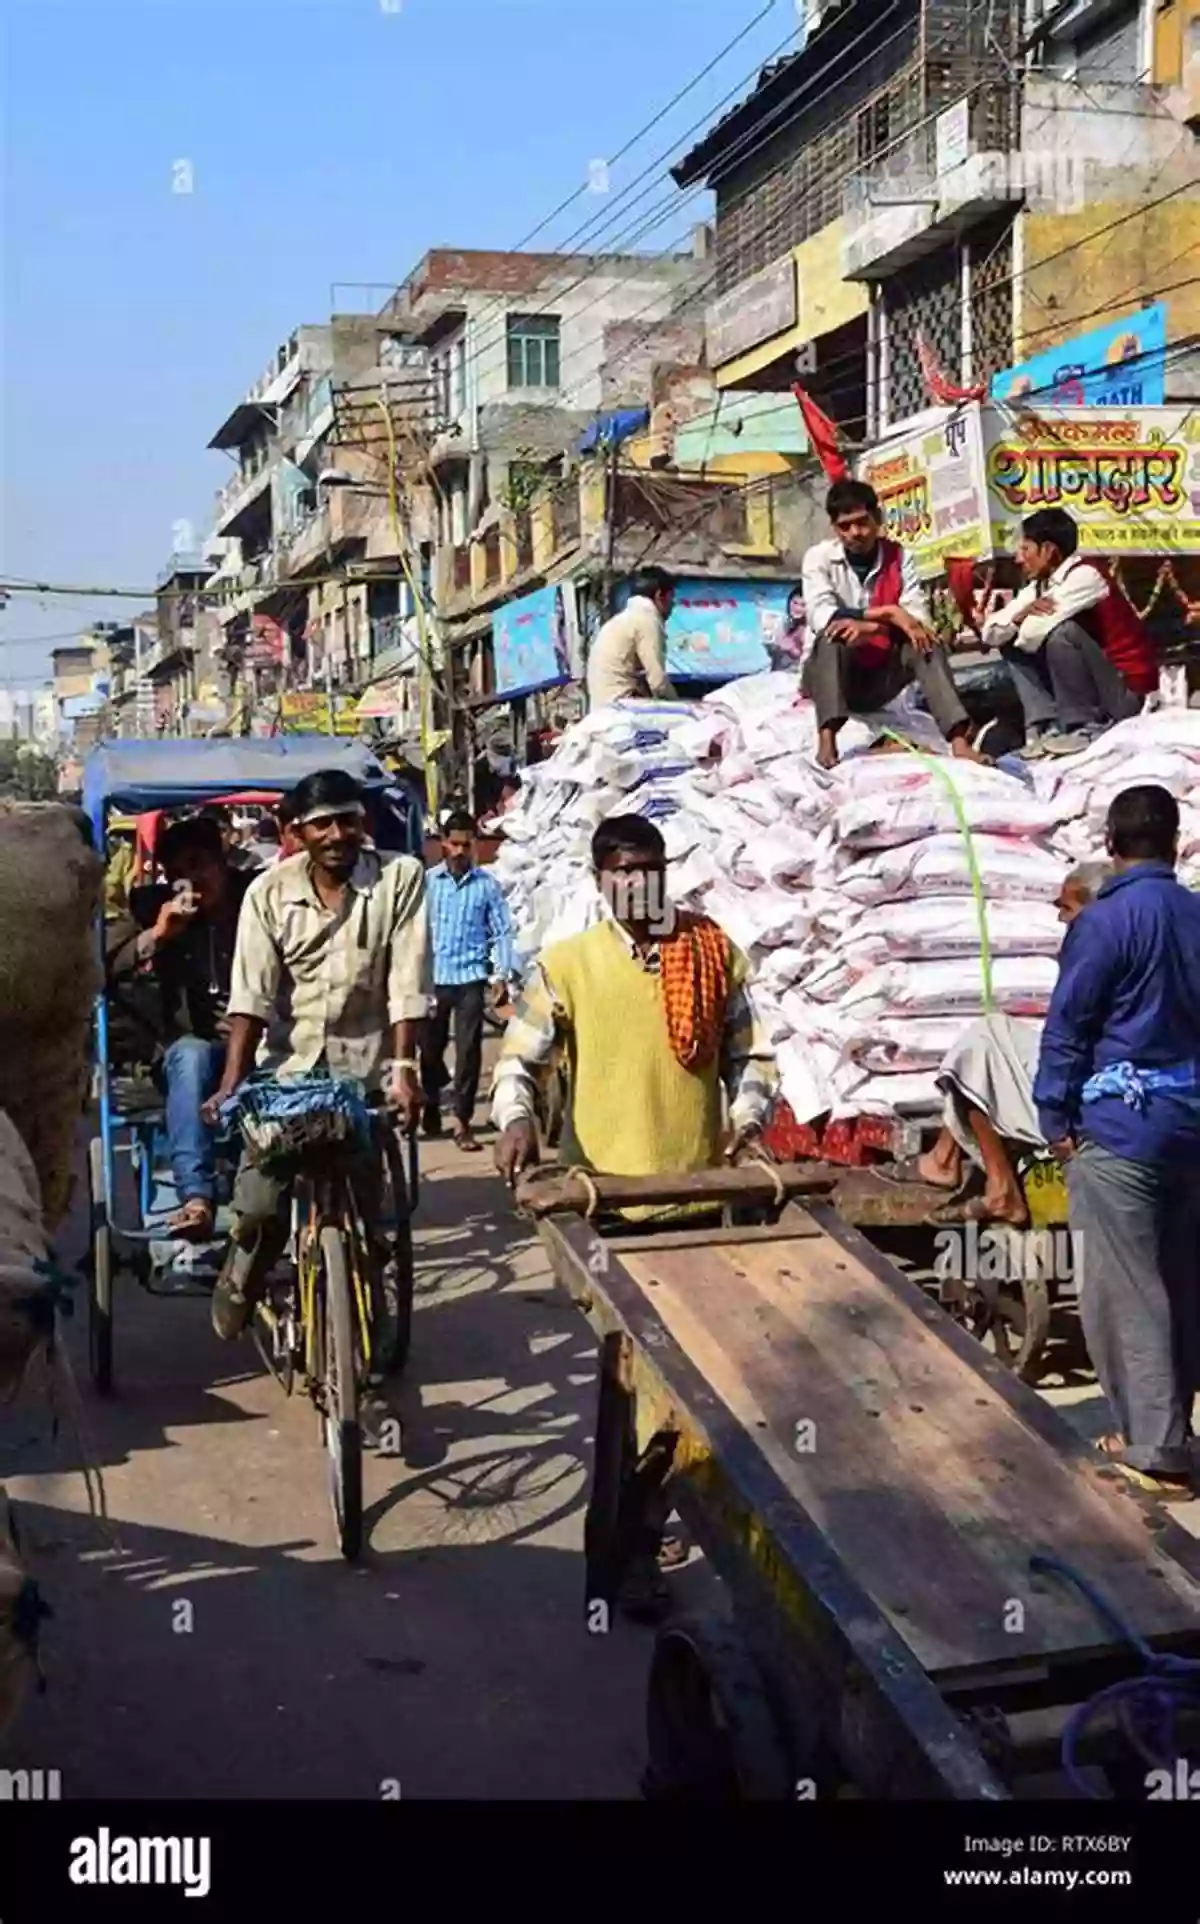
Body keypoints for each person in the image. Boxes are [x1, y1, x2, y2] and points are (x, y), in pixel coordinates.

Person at [203, 768, 430, 1341]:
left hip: (366, 1070)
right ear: (296, 833)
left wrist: (404, 1070)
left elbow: (408, 980)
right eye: (321, 824)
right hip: (288, 1074)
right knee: (260, 1207)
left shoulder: (399, 879)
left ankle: (363, 1290)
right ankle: (243, 1274)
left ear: (365, 824)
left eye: (348, 821)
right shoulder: (268, 893)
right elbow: (250, 995)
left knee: (369, 1209)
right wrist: (232, 1082)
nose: (336, 835)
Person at [1033, 784, 1200, 1497]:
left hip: (1122, 1131)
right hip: (1190, 1127)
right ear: (1175, 842)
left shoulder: (1102, 925)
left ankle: (1157, 1448)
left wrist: (1054, 1119)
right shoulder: (1195, 914)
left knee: (1127, 1290)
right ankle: (1169, 1431)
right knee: (1181, 1280)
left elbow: (1068, 1027)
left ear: (1110, 845)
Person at [492, 815, 777, 1219]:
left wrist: (748, 1123)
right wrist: (517, 1120)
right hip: (596, 1196)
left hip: (699, 1191)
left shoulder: (710, 953)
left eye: (650, 870)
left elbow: (749, 1056)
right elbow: (520, 1061)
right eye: (625, 872)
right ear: (598, 880)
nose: (639, 884)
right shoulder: (565, 965)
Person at [886, 863, 1114, 1226]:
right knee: (991, 1036)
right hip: (1106, 1082)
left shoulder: (1099, 953)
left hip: (1089, 1099)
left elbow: (1070, 1041)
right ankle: (945, 1158)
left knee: (980, 1049)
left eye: (1067, 909)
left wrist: (1056, 1121)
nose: (1059, 919)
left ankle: (996, 1186)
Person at [108, 815, 256, 1241]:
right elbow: (104, 965)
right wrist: (158, 934)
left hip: (265, 1040)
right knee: (190, 1056)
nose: (190, 881)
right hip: (195, 1049)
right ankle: (196, 1198)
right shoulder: (150, 906)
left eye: (198, 865)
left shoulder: (261, 896)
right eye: (177, 873)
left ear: (222, 860)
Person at [800, 479, 983, 771]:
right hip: (830, 674)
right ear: (834, 528)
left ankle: (960, 742)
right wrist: (888, 613)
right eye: (844, 526)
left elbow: (916, 616)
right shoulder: (819, 558)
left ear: (878, 519)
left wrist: (873, 627)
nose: (854, 534)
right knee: (831, 636)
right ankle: (827, 738)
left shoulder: (900, 556)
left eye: (862, 523)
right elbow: (821, 614)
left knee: (925, 641)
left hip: (880, 676)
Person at [981, 507, 1156, 760]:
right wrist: (1018, 617)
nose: (1019, 559)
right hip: (1099, 688)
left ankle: (1086, 726)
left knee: (1063, 633)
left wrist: (1020, 623)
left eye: (1026, 549)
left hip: (1124, 692)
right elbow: (990, 632)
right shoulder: (1039, 586)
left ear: (1049, 550)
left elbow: (1032, 634)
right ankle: (1047, 726)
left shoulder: (1086, 576)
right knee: (1009, 641)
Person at [420, 810, 515, 1153]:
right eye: (454, 843)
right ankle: (430, 1103)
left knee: (469, 1051)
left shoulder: (487, 886)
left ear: (474, 844)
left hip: (470, 979)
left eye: (466, 844)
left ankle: (462, 1121)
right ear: (443, 843)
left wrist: (501, 974)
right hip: (433, 980)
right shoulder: (428, 883)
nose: (459, 850)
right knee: (429, 1051)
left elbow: (502, 931)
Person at [586, 567, 678, 708]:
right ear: (660, 595)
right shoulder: (647, 620)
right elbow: (658, 682)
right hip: (620, 704)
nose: (673, 604)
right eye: (672, 598)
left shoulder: (623, 619)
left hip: (601, 704)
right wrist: (680, 704)